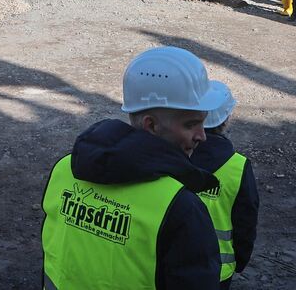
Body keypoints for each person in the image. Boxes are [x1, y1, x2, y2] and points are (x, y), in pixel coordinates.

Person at [41, 46, 224, 288]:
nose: (202, 136)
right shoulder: (180, 206)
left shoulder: (66, 169)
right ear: (151, 125)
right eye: (191, 125)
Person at [192, 82, 259, 289]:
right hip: (218, 269)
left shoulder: (173, 157)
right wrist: (241, 259)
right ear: (226, 119)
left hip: (170, 261)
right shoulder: (238, 167)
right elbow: (246, 220)